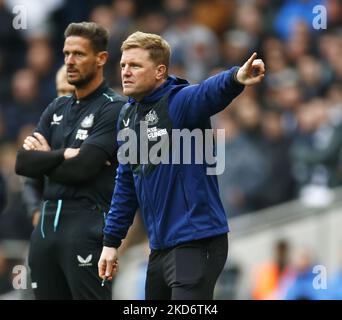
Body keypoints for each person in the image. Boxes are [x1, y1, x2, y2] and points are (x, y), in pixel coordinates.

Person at [98, 31, 265, 300]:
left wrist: (236, 78)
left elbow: (207, 93)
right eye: (123, 66)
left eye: (135, 65)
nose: (126, 72)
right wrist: (111, 242)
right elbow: (126, 183)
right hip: (160, 249)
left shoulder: (179, 102)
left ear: (159, 71)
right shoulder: (127, 117)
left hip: (195, 243)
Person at [15, 22, 126, 300]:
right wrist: (62, 154)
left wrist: (46, 160)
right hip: (45, 232)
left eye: (78, 54)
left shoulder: (114, 108)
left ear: (101, 59)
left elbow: (83, 168)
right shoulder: (56, 107)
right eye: (66, 54)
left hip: (86, 226)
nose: (70, 61)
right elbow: (23, 163)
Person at [22, 65, 75, 228]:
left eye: (70, 91)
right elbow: (30, 179)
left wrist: (50, 157)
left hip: (86, 218)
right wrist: (35, 211)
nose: (65, 97)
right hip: (51, 219)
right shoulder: (48, 128)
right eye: (61, 91)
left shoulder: (98, 126)